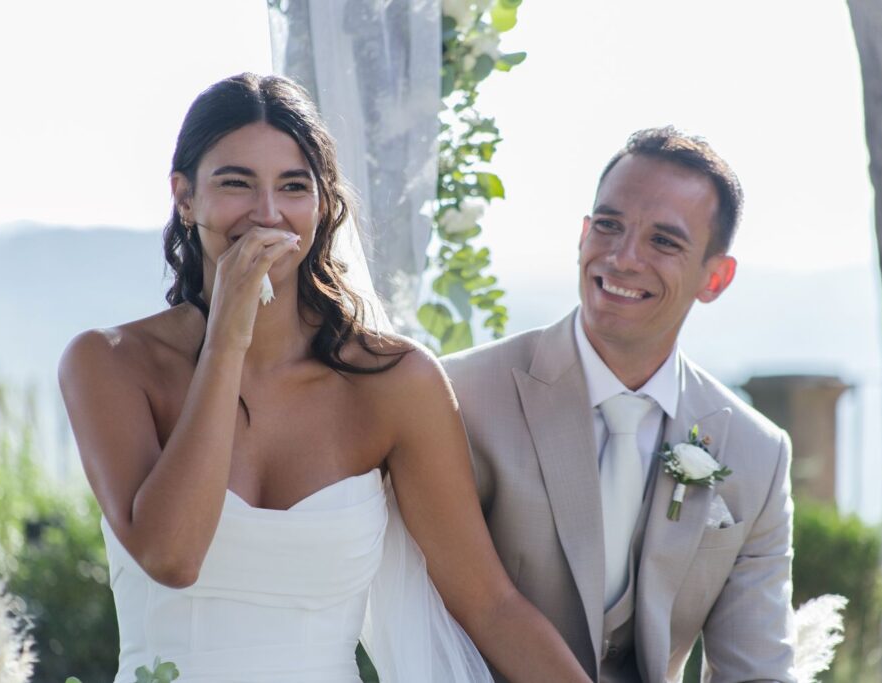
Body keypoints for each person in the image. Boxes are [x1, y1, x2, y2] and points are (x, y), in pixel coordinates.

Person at [58, 73, 592, 683]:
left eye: (293, 187)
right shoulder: (108, 363)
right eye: (236, 184)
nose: (267, 213)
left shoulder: (393, 381)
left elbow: (490, 604)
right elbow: (173, 556)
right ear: (184, 196)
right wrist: (229, 333)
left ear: (321, 204)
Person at [443, 128, 796, 683]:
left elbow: (757, 669)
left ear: (716, 277)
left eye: (664, 241)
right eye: (608, 225)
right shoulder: (463, 395)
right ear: (583, 234)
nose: (623, 257)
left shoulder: (756, 453)